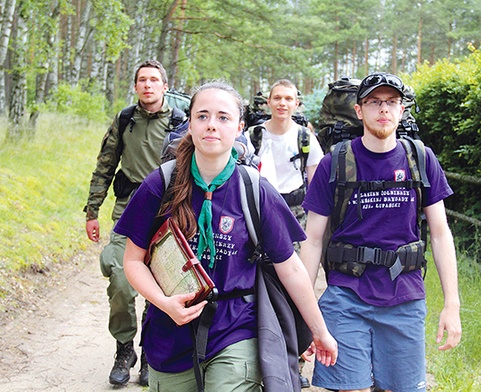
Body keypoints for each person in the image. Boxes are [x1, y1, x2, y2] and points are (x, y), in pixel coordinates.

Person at [113, 81, 338, 391]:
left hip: (236, 327)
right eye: (202, 116)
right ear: (189, 123)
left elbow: (291, 268)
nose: (212, 126)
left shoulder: (255, 190)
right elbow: (133, 261)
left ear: (239, 127)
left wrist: (319, 330)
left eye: (223, 117)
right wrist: (164, 303)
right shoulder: (160, 184)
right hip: (169, 330)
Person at [300, 72, 462, 392]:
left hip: (405, 296)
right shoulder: (334, 163)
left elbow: (441, 234)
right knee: (347, 388)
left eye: (391, 102)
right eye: (374, 102)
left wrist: (451, 305)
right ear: (359, 110)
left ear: (402, 110)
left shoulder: (421, 159)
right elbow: (313, 239)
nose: (383, 109)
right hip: (345, 296)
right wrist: (304, 315)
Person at [83, 59, 174, 387]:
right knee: (121, 282)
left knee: (162, 283)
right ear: (136, 87)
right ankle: (124, 350)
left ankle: (150, 352)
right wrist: (92, 211)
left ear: (165, 85)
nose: (148, 85)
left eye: (154, 80)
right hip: (128, 210)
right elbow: (105, 165)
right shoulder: (125, 120)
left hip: (168, 212)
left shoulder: (179, 121)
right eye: (142, 80)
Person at [246, 79, 324, 388]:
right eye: (277, 98)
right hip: (256, 211)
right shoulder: (253, 136)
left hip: (294, 215)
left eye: (288, 98)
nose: (282, 103)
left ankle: (297, 362)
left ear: (296, 103)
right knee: (255, 283)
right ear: (268, 102)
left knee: (296, 286)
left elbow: (315, 184)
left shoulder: (305, 138)